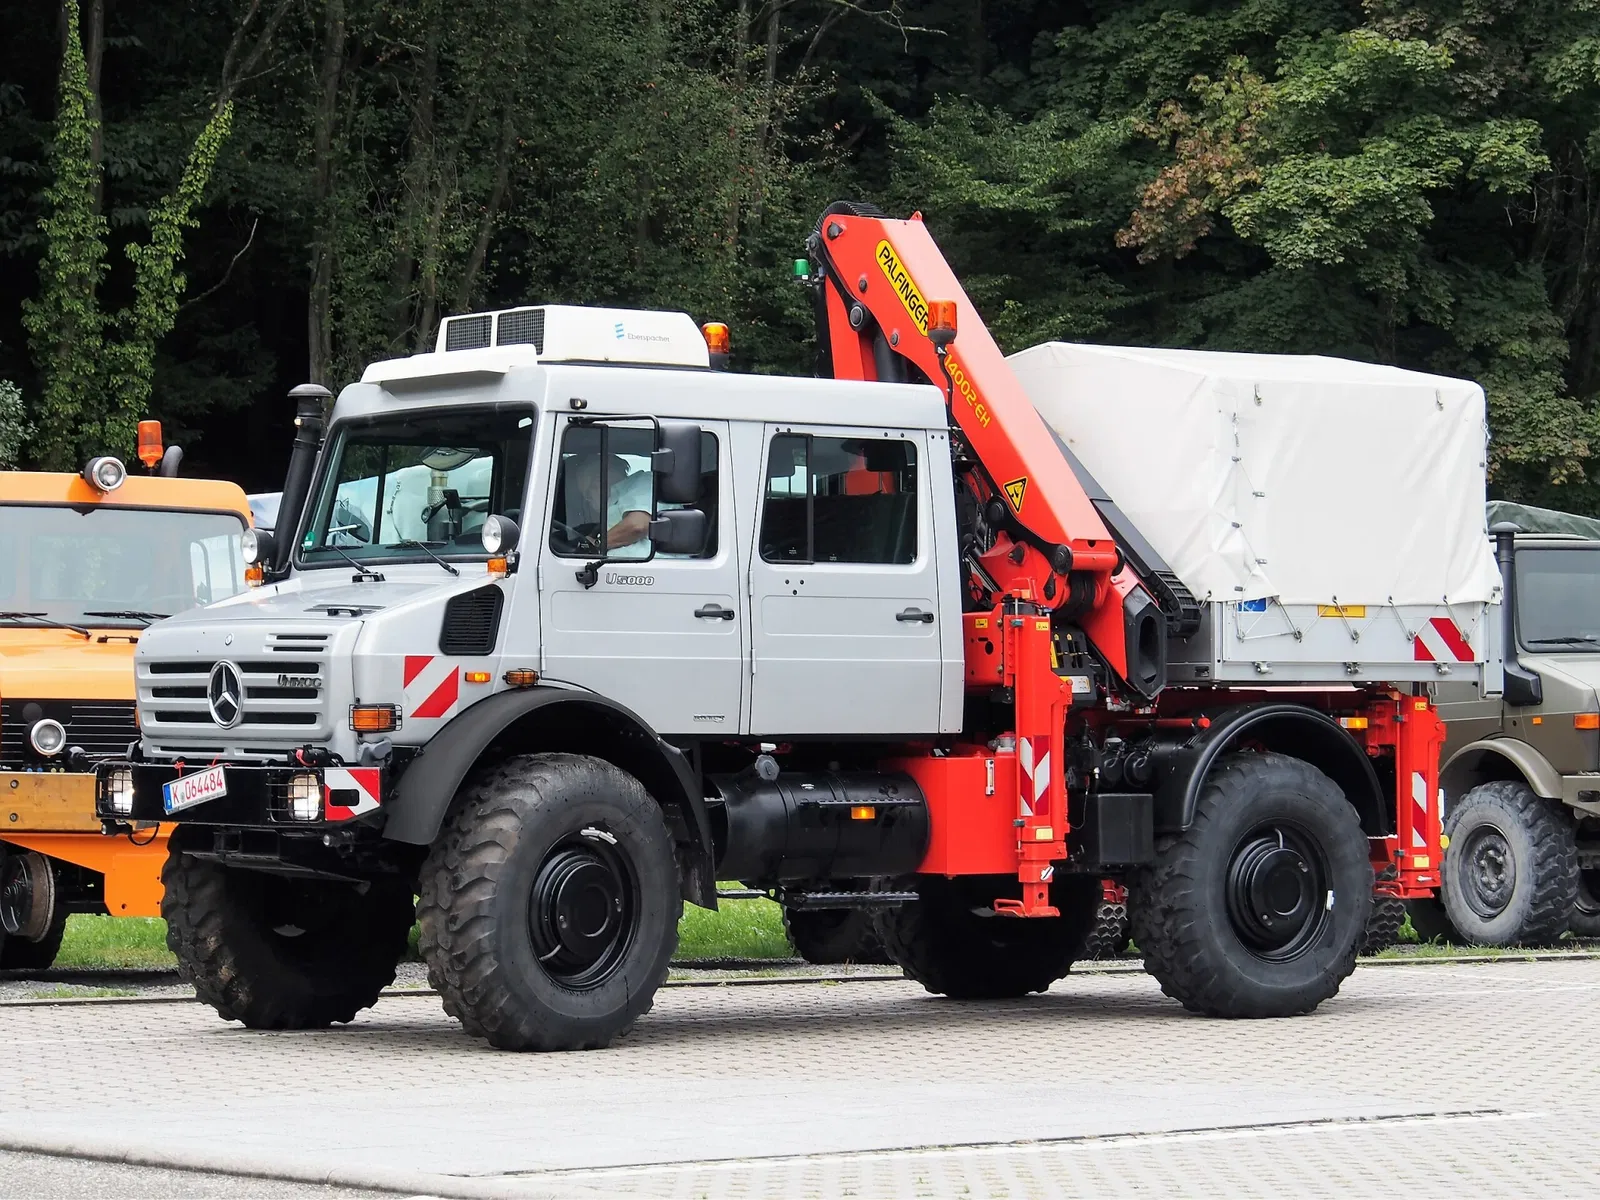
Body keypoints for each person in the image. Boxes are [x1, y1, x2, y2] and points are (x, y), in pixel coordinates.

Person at [566, 451, 652, 556]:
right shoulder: (604, 518)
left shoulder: (643, 481)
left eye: (589, 491)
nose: (588, 500)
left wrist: (595, 545)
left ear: (599, 479)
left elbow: (637, 525)